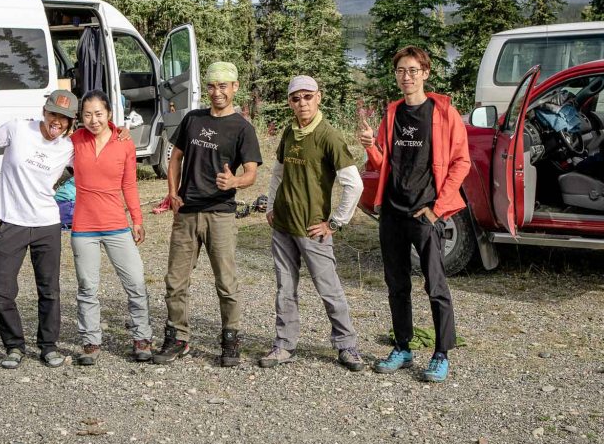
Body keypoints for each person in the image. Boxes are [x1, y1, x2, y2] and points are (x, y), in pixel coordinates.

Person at [358, 46, 471, 382]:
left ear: (425, 72)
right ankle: (403, 347)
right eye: (400, 72)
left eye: (412, 70)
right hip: (392, 212)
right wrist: (369, 145)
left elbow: (461, 162)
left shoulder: (443, 112)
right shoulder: (392, 113)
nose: (406, 77)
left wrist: (437, 209)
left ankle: (441, 352)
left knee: (435, 284)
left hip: (426, 213)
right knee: (397, 284)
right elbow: (383, 165)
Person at [153, 61, 262, 367]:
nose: (217, 92)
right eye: (212, 86)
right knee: (175, 281)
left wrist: (235, 181)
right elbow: (175, 158)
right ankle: (177, 338)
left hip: (220, 214)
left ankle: (230, 340)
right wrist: (172, 193)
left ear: (235, 87)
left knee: (226, 283)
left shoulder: (242, 128)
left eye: (223, 86)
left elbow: (251, 173)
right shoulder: (193, 119)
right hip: (187, 213)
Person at [260, 75, 366, 372]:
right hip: (283, 226)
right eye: (296, 98)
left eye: (308, 97)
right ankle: (284, 344)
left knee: (329, 289)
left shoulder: (328, 136)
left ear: (318, 97)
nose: (302, 103)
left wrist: (334, 223)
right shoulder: (289, 132)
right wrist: (270, 206)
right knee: (285, 288)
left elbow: (353, 184)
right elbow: (278, 173)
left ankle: (347, 345)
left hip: (312, 228)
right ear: (290, 103)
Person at [0, 90, 78, 370]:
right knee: (3, 289)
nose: (58, 121)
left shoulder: (68, 147)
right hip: (12, 222)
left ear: (70, 123)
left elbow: (99, 152)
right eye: (54, 113)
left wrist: (120, 133)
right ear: (45, 111)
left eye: (65, 118)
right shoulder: (19, 128)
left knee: (50, 290)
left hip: (47, 223)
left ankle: (48, 346)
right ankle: (14, 346)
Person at [70, 90, 153, 364]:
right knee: (87, 287)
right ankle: (90, 342)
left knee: (136, 283)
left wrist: (137, 219)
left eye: (99, 114)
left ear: (109, 114)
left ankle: (142, 337)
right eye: (87, 115)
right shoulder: (74, 141)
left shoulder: (123, 142)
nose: (93, 120)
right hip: (84, 227)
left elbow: (129, 184)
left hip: (117, 225)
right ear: (80, 117)